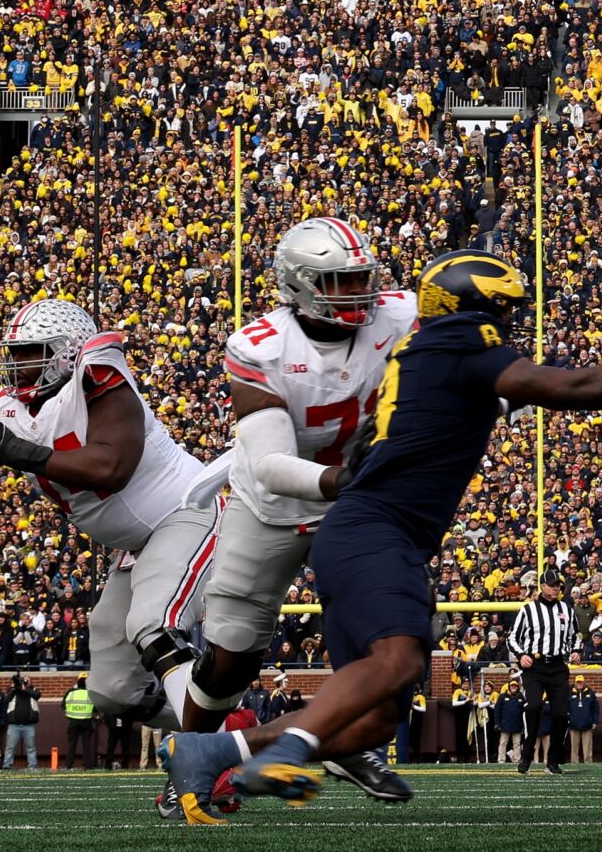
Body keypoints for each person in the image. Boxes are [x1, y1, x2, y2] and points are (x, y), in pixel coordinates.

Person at [161, 247, 602, 821]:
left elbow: (483, 406)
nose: (509, 321)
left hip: (366, 532)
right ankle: (287, 751)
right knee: (396, 662)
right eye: (502, 309)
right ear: (468, 309)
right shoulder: (458, 339)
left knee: (375, 718)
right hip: (376, 530)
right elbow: (564, 389)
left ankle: (215, 752)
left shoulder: (428, 354)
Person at [0, 297, 222, 753]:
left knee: (152, 622)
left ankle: (211, 748)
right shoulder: (15, 410)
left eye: (31, 351)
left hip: (185, 512)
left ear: (69, 349)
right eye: (16, 352)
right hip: (138, 543)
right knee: (114, 689)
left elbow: (112, 465)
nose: (19, 363)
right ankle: (225, 723)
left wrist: (29, 455)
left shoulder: (99, 377)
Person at [186, 218, 420, 804]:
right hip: (272, 506)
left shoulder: (399, 314)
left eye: (362, 279)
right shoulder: (260, 346)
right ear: (301, 284)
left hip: (357, 508)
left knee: (380, 646)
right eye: (341, 282)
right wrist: (348, 477)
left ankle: (346, 745)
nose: (360, 293)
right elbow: (269, 464)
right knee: (229, 657)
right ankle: (190, 763)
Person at [511, 573, 576, 774]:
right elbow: (512, 637)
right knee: (534, 706)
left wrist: (575, 650)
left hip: (557, 666)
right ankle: (527, 754)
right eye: (551, 585)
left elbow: (575, 636)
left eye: (558, 585)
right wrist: (521, 655)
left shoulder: (566, 609)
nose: (555, 589)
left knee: (561, 714)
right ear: (541, 586)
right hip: (534, 667)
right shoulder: (528, 610)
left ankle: (553, 760)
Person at [4, 674, 42, 771]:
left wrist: (26, 689)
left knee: (31, 747)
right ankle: (7, 765)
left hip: (29, 725)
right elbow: (6, 700)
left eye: (27, 681)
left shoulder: (33, 690)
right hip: (14, 725)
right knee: (10, 747)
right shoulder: (13, 690)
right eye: (24, 681)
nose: (25, 682)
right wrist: (15, 688)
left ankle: (32, 766)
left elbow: (37, 696)